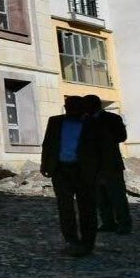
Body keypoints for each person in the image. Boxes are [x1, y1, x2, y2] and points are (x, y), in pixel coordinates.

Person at [41, 95, 101, 257]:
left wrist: (98, 171)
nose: (70, 110)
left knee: (87, 208)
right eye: (68, 107)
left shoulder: (92, 124)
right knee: (65, 208)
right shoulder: (55, 122)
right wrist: (45, 165)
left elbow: (99, 149)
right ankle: (71, 242)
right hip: (60, 170)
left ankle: (87, 244)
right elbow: (48, 144)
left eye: (74, 108)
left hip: (84, 171)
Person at [82, 95, 131, 234]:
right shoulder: (84, 120)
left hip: (110, 163)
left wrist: (104, 136)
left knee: (117, 196)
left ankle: (124, 224)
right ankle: (108, 223)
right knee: (100, 197)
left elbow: (122, 136)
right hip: (93, 166)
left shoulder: (112, 119)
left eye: (86, 105)